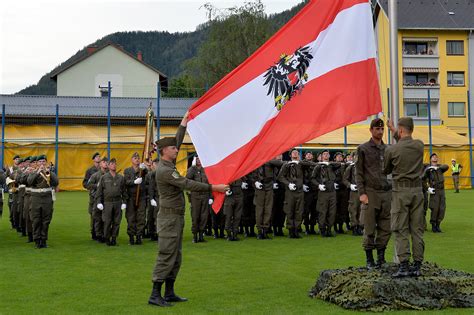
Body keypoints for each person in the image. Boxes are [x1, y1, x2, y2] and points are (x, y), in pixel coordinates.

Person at [148, 112, 228, 307]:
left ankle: (169, 292)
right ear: (165, 151)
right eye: (174, 148)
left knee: (176, 256)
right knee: (167, 254)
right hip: (168, 219)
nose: (177, 149)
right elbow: (187, 184)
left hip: (175, 218)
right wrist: (213, 187)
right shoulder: (165, 170)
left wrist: (183, 124)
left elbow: (176, 139)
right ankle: (155, 294)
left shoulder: (169, 163)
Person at [384, 117, 425, 277]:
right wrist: (393, 129)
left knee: (400, 229)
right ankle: (418, 265)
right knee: (417, 230)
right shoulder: (419, 145)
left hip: (400, 192)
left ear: (400, 130)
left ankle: (403, 266)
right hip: (417, 191)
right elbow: (406, 142)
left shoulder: (391, 150)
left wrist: (394, 133)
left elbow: (385, 170)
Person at [356, 118, 391, 269]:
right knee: (369, 227)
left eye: (382, 129)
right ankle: (369, 259)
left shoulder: (388, 149)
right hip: (370, 192)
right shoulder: (363, 149)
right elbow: (358, 173)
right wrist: (362, 193)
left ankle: (381, 258)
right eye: (377, 129)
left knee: (386, 227)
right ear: (371, 130)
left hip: (386, 193)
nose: (380, 132)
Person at [27, 155, 59, 249]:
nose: (42, 163)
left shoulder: (50, 172)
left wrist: (49, 172)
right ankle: (37, 240)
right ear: (37, 163)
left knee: (46, 220)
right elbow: (29, 181)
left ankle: (44, 240)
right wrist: (38, 172)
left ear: (46, 162)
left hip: (47, 199)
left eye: (43, 161)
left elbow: (56, 182)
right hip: (36, 198)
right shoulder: (33, 172)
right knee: (36, 220)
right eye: (40, 162)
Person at [96, 158, 127, 246]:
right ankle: (107, 238)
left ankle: (114, 238)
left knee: (117, 221)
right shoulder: (104, 177)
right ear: (109, 166)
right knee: (107, 221)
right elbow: (99, 191)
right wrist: (99, 202)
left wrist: (124, 202)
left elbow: (124, 191)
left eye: (115, 164)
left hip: (118, 202)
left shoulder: (120, 177)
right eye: (112, 164)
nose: (114, 165)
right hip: (107, 203)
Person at [252, 158, 285, 239]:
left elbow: (281, 164)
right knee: (260, 210)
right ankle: (260, 231)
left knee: (268, 209)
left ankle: (265, 231)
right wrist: (255, 182)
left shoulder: (270, 160)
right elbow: (250, 174)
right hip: (260, 186)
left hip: (269, 186)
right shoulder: (255, 160)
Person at [278, 149, 307, 238]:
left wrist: (299, 162)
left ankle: (296, 230)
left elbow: (311, 165)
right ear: (290, 155)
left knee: (299, 211)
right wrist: (288, 184)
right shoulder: (286, 165)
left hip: (300, 191)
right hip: (290, 192)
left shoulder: (301, 164)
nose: (295, 153)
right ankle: (291, 230)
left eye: (297, 153)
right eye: (293, 152)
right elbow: (280, 177)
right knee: (290, 210)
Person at [312, 150, 340, 237]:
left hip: (332, 192)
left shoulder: (331, 165)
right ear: (321, 156)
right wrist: (318, 185)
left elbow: (339, 164)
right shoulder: (318, 166)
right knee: (322, 211)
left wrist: (329, 163)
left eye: (327, 154)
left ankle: (329, 229)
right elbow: (312, 178)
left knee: (332, 211)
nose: (326, 155)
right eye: (324, 154)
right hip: (323, 192)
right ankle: (322, 229)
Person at [124, 152, 148, 245]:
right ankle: (131, 236)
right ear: (131, 160)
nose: (137, 159)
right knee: (131, 217)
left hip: (141, 197)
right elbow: (126, 181)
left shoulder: (142, 170)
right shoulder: (127, 170)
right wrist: (134, 182)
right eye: (135, 158)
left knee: (141, 217)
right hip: (131, 197)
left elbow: (147, 173)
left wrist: (144, 168)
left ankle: (139, 236)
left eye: (138, 158)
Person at [186, 156, 211, 243]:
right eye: (197, 159)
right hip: (195, 196)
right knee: (195, 216)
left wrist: (210, 196)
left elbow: (210, 182)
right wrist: (192, 168)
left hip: (205, 195)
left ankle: (201, 235)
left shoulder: (206, 169)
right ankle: (195, 236)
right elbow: (187, 180)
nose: (199, 161)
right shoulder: (192, 169)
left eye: (200, 159)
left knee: (204, 216)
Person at [423, 153, 449, 233]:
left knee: (442, 208)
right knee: (435, 208)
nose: (435, 158)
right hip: (434, 190)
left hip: (442, 190)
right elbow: (423, 179)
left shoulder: (440, 168)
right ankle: (434, 225)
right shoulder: (428, 169)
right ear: (430, 159)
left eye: (436, 157)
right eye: (433, 157)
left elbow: (447, 166)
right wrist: (428, 188)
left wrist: (436, 167)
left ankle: (438, 225)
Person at [87, 156, 109, 243]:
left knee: (106, 218)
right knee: (97, 218)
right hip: (97, 199)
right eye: (104, 162)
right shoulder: (95, 175)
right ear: (100, 164)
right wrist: (98, 185)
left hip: (107, 199)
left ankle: (105, 234)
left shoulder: (109, 175)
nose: (106, 164)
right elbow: (88, 185)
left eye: (107, 162)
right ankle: (97, 234)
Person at [343, 152, 363, 236]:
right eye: (355, 157)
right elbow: (344, 179)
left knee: (361, 210)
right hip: (354, 192)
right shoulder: (351, 167)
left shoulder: (364, 167)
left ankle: (360, 227)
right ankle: (354, 227)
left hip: (362, 191)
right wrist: (350, 185)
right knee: (353, 210)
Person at [83, 152, 101, 240]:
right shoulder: (89, 171)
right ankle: (94, 232)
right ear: (93, 159)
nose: (98, 158)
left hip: (102, 196)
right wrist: (95, 186)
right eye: (97, 157)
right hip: (94, 196)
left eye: (99, 157)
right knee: (94, 215)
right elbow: (85, 184)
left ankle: (100, 233)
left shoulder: (104, 170)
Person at [302, 151, 317, 235]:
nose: (309, 155)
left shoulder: (315, 165)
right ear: (305, 156)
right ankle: (307, 228)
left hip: (315, 190)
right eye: (307, 154)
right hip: (307, 191)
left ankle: (312, 227)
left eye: (310, 154)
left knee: (314, 210)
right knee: (306, 211)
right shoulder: (302, 164)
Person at [146, 158, 160, 241]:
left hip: (160, 197)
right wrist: (151, 198)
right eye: (155, 163)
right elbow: (149, 187)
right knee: (151, 216)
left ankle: (157, 233)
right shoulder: (151, 174)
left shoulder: (160, 173)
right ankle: (152, 232)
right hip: (152, 197)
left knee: (158, 216)